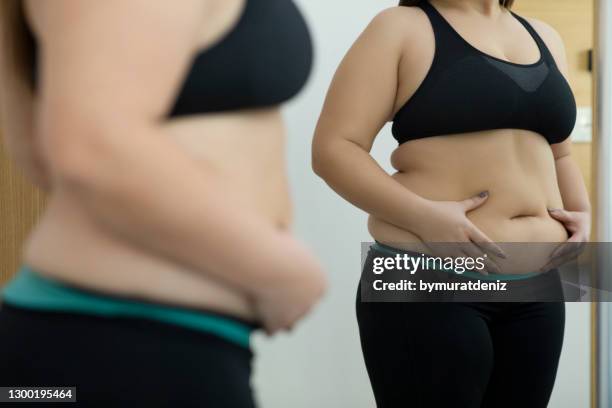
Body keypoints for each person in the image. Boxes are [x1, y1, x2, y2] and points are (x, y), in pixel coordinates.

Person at [0, 0, 326, 406]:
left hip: (149, 343)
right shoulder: (398, 28)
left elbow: (37, 149)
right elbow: (92, 147)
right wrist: (281, 271)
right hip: (114, 347)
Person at [312, 0, 590, 406]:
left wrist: (582, 212)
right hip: (426, 277)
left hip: (536, 286)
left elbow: (559, 153)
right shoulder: (401, 27)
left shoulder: (545, 35)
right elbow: (334, 150)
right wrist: (425, 218)